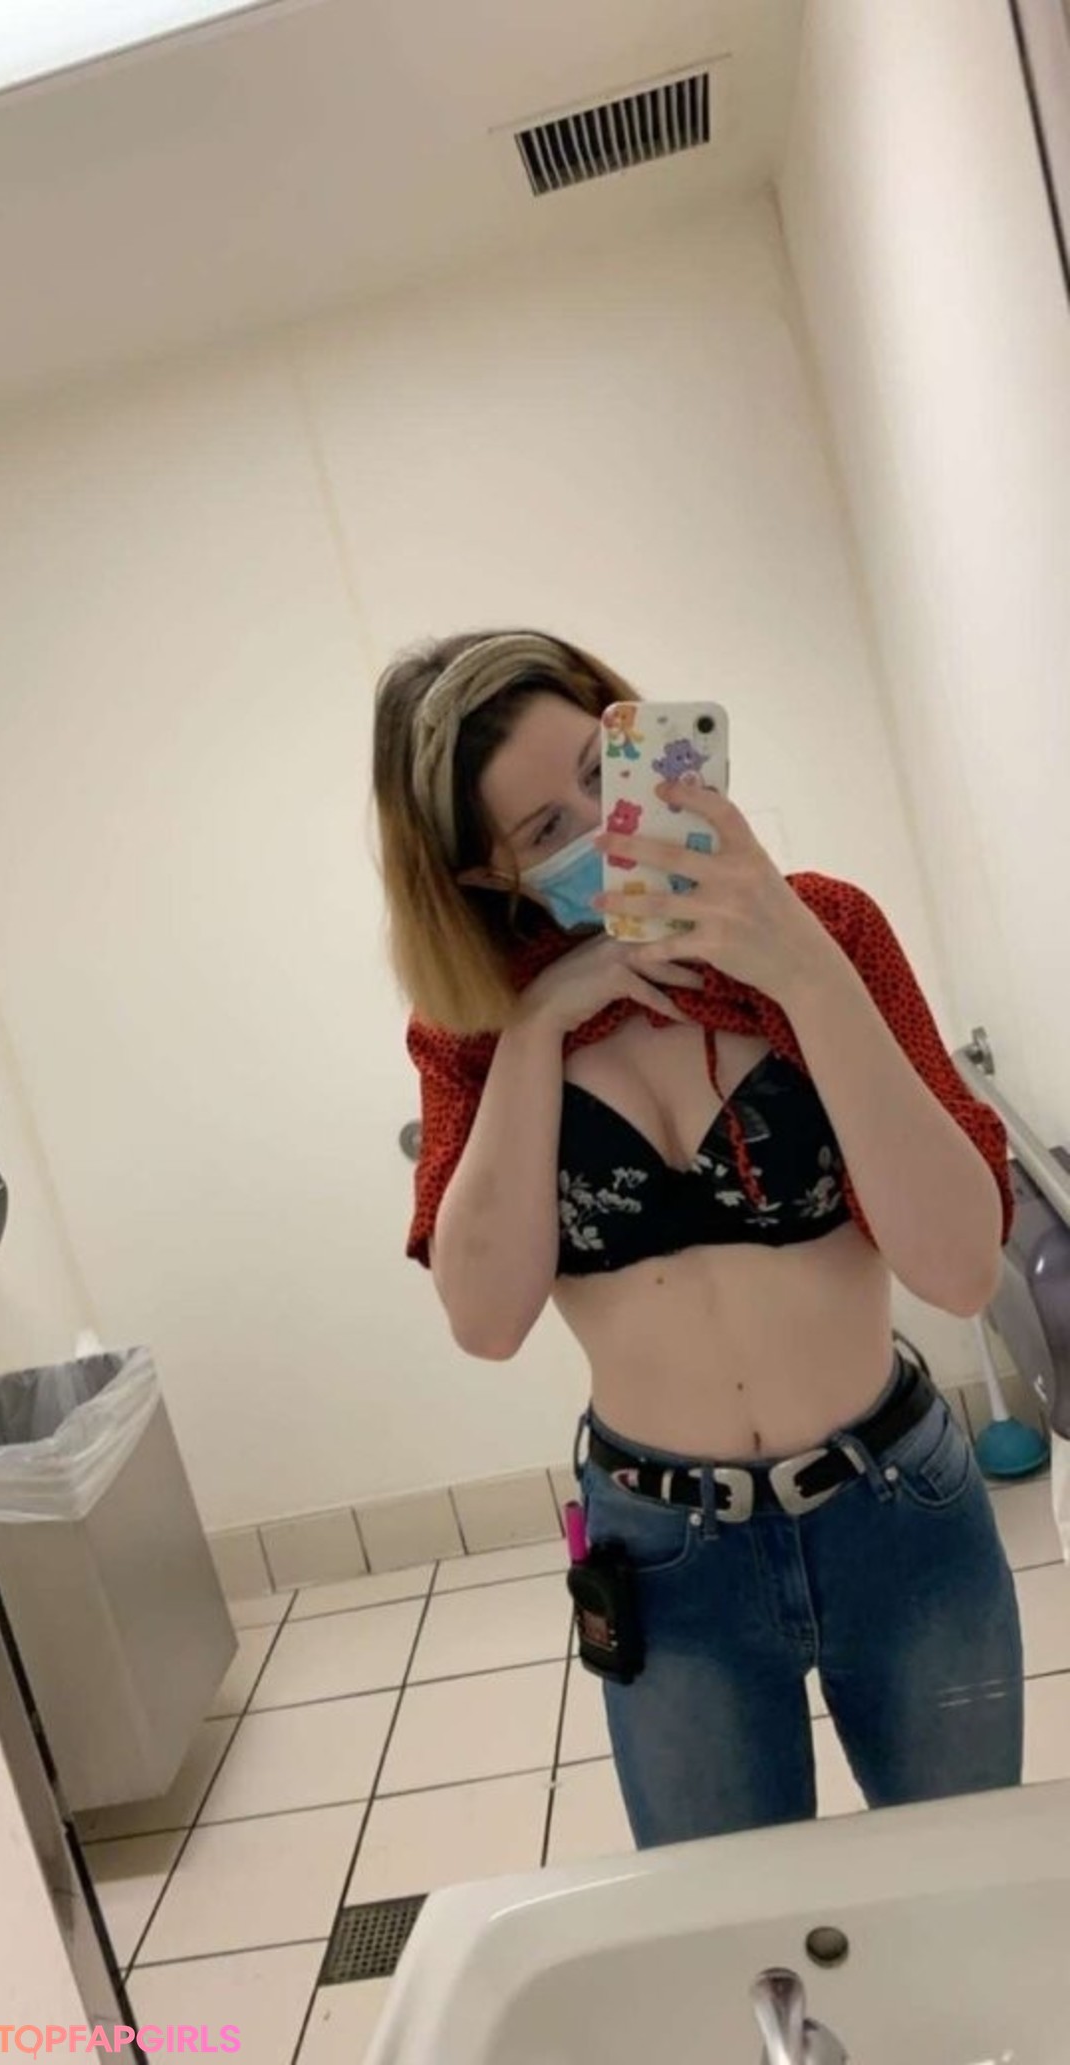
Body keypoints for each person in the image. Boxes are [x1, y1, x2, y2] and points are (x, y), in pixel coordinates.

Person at [372, 627, 1024, 1849]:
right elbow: (486, 1319)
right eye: (546, 828)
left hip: (896, 1505)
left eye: (602, 772)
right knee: (730, 1925)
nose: (602, 827)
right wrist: (535, 1031)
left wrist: (803, 968)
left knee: (961, 1881)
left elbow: (959, 1266)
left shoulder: (827, 926)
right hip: (668, 1554)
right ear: (481, 875)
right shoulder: (473, 1029)